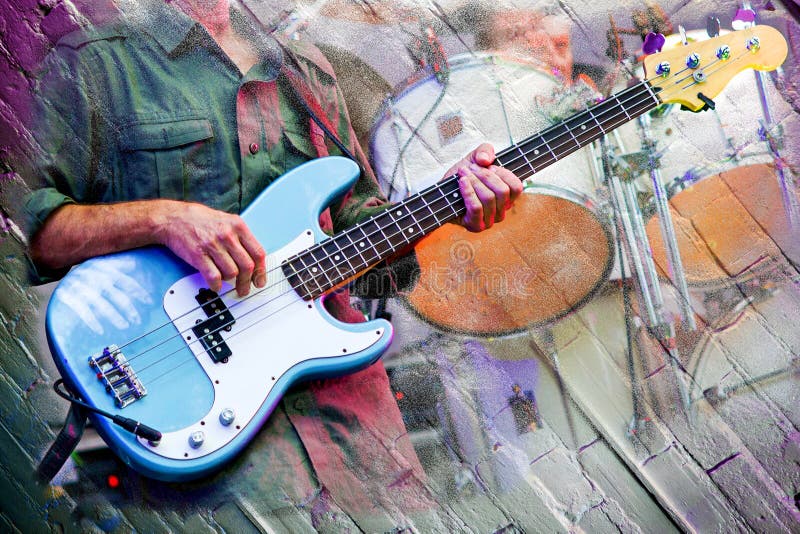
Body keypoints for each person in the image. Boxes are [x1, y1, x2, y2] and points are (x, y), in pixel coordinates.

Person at [23, 0, 523, 528]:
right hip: (202, 439)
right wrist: (163, 219)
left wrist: (442, 204)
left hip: (357, 428)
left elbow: (361, 243)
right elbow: (30, 232)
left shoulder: (303, 65)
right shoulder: (98, 63)